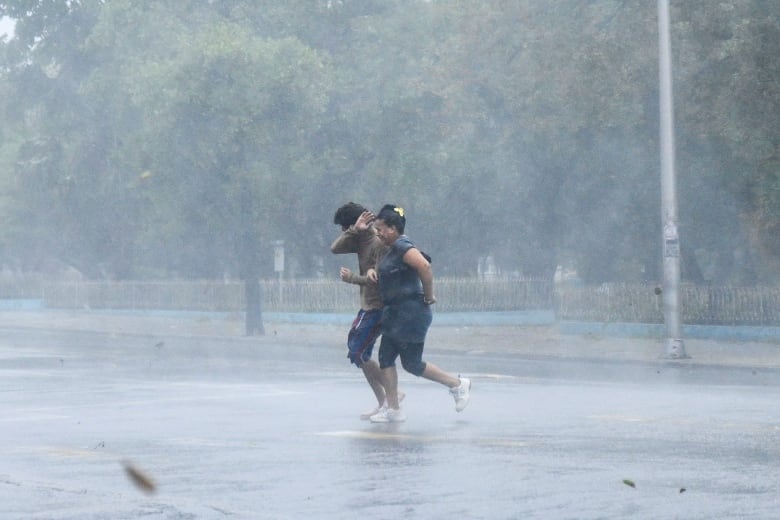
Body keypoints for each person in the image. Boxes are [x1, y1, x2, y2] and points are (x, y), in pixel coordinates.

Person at [368, 204, 471, 423]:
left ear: (394, 228)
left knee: (411, 363)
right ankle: (394, 409)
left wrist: (429, 295)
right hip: (396, 314)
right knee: (387, 358)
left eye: (381, 229)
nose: (378, 233)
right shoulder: (392, 249)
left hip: (410, 314)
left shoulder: (403, 246)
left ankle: (458, 385)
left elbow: (424, 266)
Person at [331, 202, 401, 419]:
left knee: (358, 352)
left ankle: (393, 394)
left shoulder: (377, 243)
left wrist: (351, 278)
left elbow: (377, 281)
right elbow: (335, 248)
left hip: (378, 306)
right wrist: (355, 230)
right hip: (367, 305)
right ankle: (384, 402)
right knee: (359, 355)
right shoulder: (360, 238)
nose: (343, 232)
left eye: (345, 227)